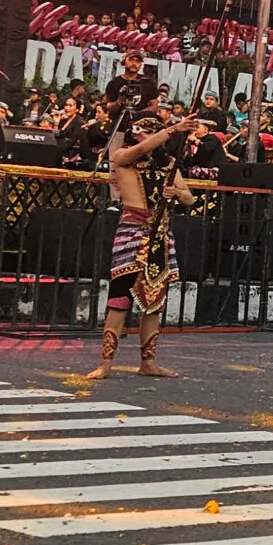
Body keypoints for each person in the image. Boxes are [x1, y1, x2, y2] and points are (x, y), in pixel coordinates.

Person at [91, 111, 201, 380]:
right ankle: (106, 362)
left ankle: (148, 361)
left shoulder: (168, 164)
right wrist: (173, 130)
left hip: (160, 235)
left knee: (153, 301)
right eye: (147, 133)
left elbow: (189, 198)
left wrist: (176, 193)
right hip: (132, 231)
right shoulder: (123, 158)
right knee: (120, 298)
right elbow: (140, 149)